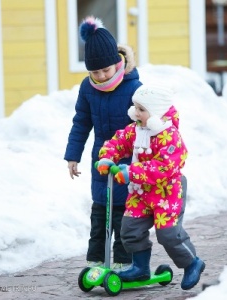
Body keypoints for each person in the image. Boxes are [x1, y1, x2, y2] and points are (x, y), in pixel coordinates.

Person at [96, 84, 205, 290]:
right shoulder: (136, 130)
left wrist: (131, 171)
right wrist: (107, 157)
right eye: (135, 107)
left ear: (155, 113)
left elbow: (165, 166)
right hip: (140, 192)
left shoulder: (170, 136)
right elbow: (118, 142)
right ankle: (140, 267)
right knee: (129, 229)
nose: (135, 113)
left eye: (141, 110)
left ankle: (192, 263)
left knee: (168, 234)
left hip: (167, 192)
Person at [64, 16, 142, 271]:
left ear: (117, 63)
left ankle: (122, 261)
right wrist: (72, 155)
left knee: (124, 214)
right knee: (100, 211)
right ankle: (95, 260)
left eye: (105, 70)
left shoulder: (134, 87)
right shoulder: (88, 88)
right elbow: (81, 122)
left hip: (130, 160)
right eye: (94, 72)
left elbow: (147, 123)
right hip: (102, 159)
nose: (101, 76)